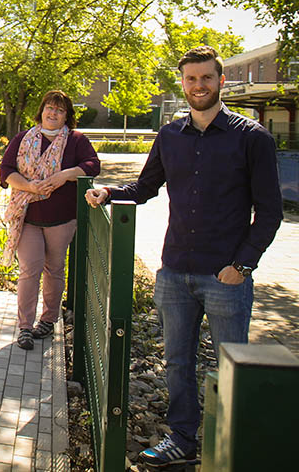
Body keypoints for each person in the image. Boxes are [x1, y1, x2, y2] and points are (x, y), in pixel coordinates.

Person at [85, 46, 283, 467]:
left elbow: (270, 212)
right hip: (174, 271)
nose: (198, 86)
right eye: (191, 79)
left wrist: (243, 266)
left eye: (206, 78)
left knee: (233, 367)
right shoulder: (170, 136)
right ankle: (183, 440)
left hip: (225, 275)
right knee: (177, 362)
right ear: (183, 83)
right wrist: (107, 192)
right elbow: (144, 188)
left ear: (221, 80)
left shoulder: (252, 138)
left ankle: (228, 448)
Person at [0, 90, 100, 350]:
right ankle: (24, 326)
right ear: (41, 110)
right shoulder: (23, 139)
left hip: (61, 219)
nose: (53, 113)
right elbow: (6, 170)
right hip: (28, 217)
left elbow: (92, 164)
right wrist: (31, 188)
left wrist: (67, 175)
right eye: (49, 108)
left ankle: (47, 320)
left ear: (67, 116)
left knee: (54, 270)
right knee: (29, 270)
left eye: (59, 110)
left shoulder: (76, 141)